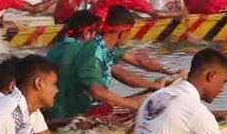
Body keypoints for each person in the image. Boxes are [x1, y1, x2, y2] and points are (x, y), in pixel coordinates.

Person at [47, 7, 177, 119]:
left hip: (69, 106)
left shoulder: (102, 47)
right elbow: (97, 91)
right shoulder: (92, 50)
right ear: (122, 33)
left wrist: (166, 75)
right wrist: (132, 104)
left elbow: (135, 62)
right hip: (75, 112)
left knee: (155, 92)